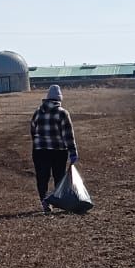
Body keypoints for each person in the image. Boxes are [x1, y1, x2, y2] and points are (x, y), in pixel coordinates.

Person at [30, 84, 78, 213]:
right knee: (59, 177)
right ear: (59, 99)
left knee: (42, 177)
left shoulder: (38, 112)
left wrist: (38, 143)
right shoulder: (62, 113)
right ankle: (58, 200)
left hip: (39, 151)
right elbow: (68, 135)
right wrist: (73, 152)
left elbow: (33, 130)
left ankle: (45, 201)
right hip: (58, 151)